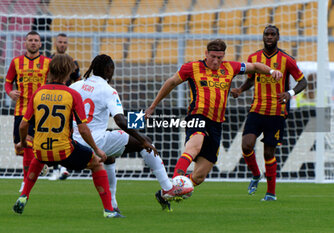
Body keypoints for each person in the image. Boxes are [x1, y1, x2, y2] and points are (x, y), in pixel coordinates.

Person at [145, 39, 283, 202]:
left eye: (220, 57)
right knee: (194, 146)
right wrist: (153, 106)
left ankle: (164, 193)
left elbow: (255, 66)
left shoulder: (230, 67)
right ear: (206, 54)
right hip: (198, 116)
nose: (216, 61)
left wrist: (272, 70)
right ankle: (176, 181)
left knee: (199, 176)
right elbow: (171, 82)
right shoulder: (192, 68)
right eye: (213, 57)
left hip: (216, 124)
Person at [70, 54, 192, 212]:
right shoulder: (108, 91)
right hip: (95, 142)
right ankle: (167, 187)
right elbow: (120, 121)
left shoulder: (75, 86)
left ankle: (113, 204)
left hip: (73, 142)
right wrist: (142, 140)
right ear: (108, 70)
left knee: (110, 158)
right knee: (144, 142)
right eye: (112, 70)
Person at [12, 54, 123, 218]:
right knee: (97, 163)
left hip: (42, 149)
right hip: (64, 150)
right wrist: (96, 149)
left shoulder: (38, 93)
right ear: (69, 72)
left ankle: (23, 196)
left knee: (39, 157)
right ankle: (109, 210)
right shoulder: (71, 94)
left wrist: (22, 143)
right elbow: (84, 129)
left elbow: (23, 125)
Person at [230, 25, 307, 201]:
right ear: (263, 37)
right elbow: (251, 80)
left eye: (273, 34)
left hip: (276, 111)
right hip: (256, 109)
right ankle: (256, 175)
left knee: (268, 154)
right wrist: (241, 90)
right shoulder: (254, 58)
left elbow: (303, 82)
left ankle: (271, 193)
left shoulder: (287, 59)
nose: (269, 37)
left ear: (278, 37)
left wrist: (290, 93)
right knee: (246, 145)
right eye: (267, 34)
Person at [5, 31, 51, 192]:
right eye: (30, 40)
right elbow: (8, 82)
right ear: (25, 43)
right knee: (19, 147)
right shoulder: (16, 62)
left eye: (36, 40)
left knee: (28, 145)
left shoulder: (48, 62)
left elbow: (54, 82)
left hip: (41, 112)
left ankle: (25, 182)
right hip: (21, 111)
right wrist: (10, 92)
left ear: (40, 44)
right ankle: (40, 164)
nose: (33, 42)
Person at [48, 33, 82, 181]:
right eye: (60, 42)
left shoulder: (72, 62)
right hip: (51, 100)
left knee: (67, 134)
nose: (62, 44)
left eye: (64, 42)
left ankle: (62, 167)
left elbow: (78, 80)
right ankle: (57, 168)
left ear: (67, 45)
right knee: (53, 134)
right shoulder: (48, 60)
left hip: (67, 101)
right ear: (55, 43)